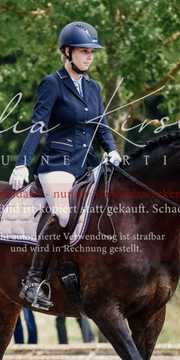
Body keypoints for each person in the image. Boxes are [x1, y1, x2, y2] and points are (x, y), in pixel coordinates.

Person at [9, 21, 122, 309]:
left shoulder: (94, 88)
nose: (89, 57)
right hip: (57, 164)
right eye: (84, 51)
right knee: (62, 214)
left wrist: (112, 150)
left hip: (87, 165)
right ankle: (33, 281)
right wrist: (22, 163)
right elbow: (38, 126)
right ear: (68, 52)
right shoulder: (52, 83)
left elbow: (101, 126)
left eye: (92, 52)